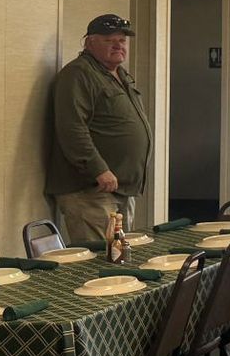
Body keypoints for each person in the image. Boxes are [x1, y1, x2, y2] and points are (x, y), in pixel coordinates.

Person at [47, 13, 153, 244]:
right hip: (92, 190)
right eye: (109, 40)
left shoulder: (120, 75)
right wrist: (98, 169)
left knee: (118, 260)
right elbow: (72, 128)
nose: (118, 45)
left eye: (122, 40)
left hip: (121, 189)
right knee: (100, 265)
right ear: (89, 42)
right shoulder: (78, 74)